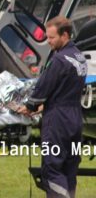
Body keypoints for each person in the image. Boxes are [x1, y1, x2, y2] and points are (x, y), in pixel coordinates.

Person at [17, 16, 87, 198]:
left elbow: (42, 88)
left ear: (65, 35)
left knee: (52, 169)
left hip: (58, 121)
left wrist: (30, 106)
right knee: (70, 168)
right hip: (75, 118)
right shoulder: (79, 57)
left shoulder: (59, 60)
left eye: (51, 38)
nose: (48, 42)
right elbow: (64, 88)